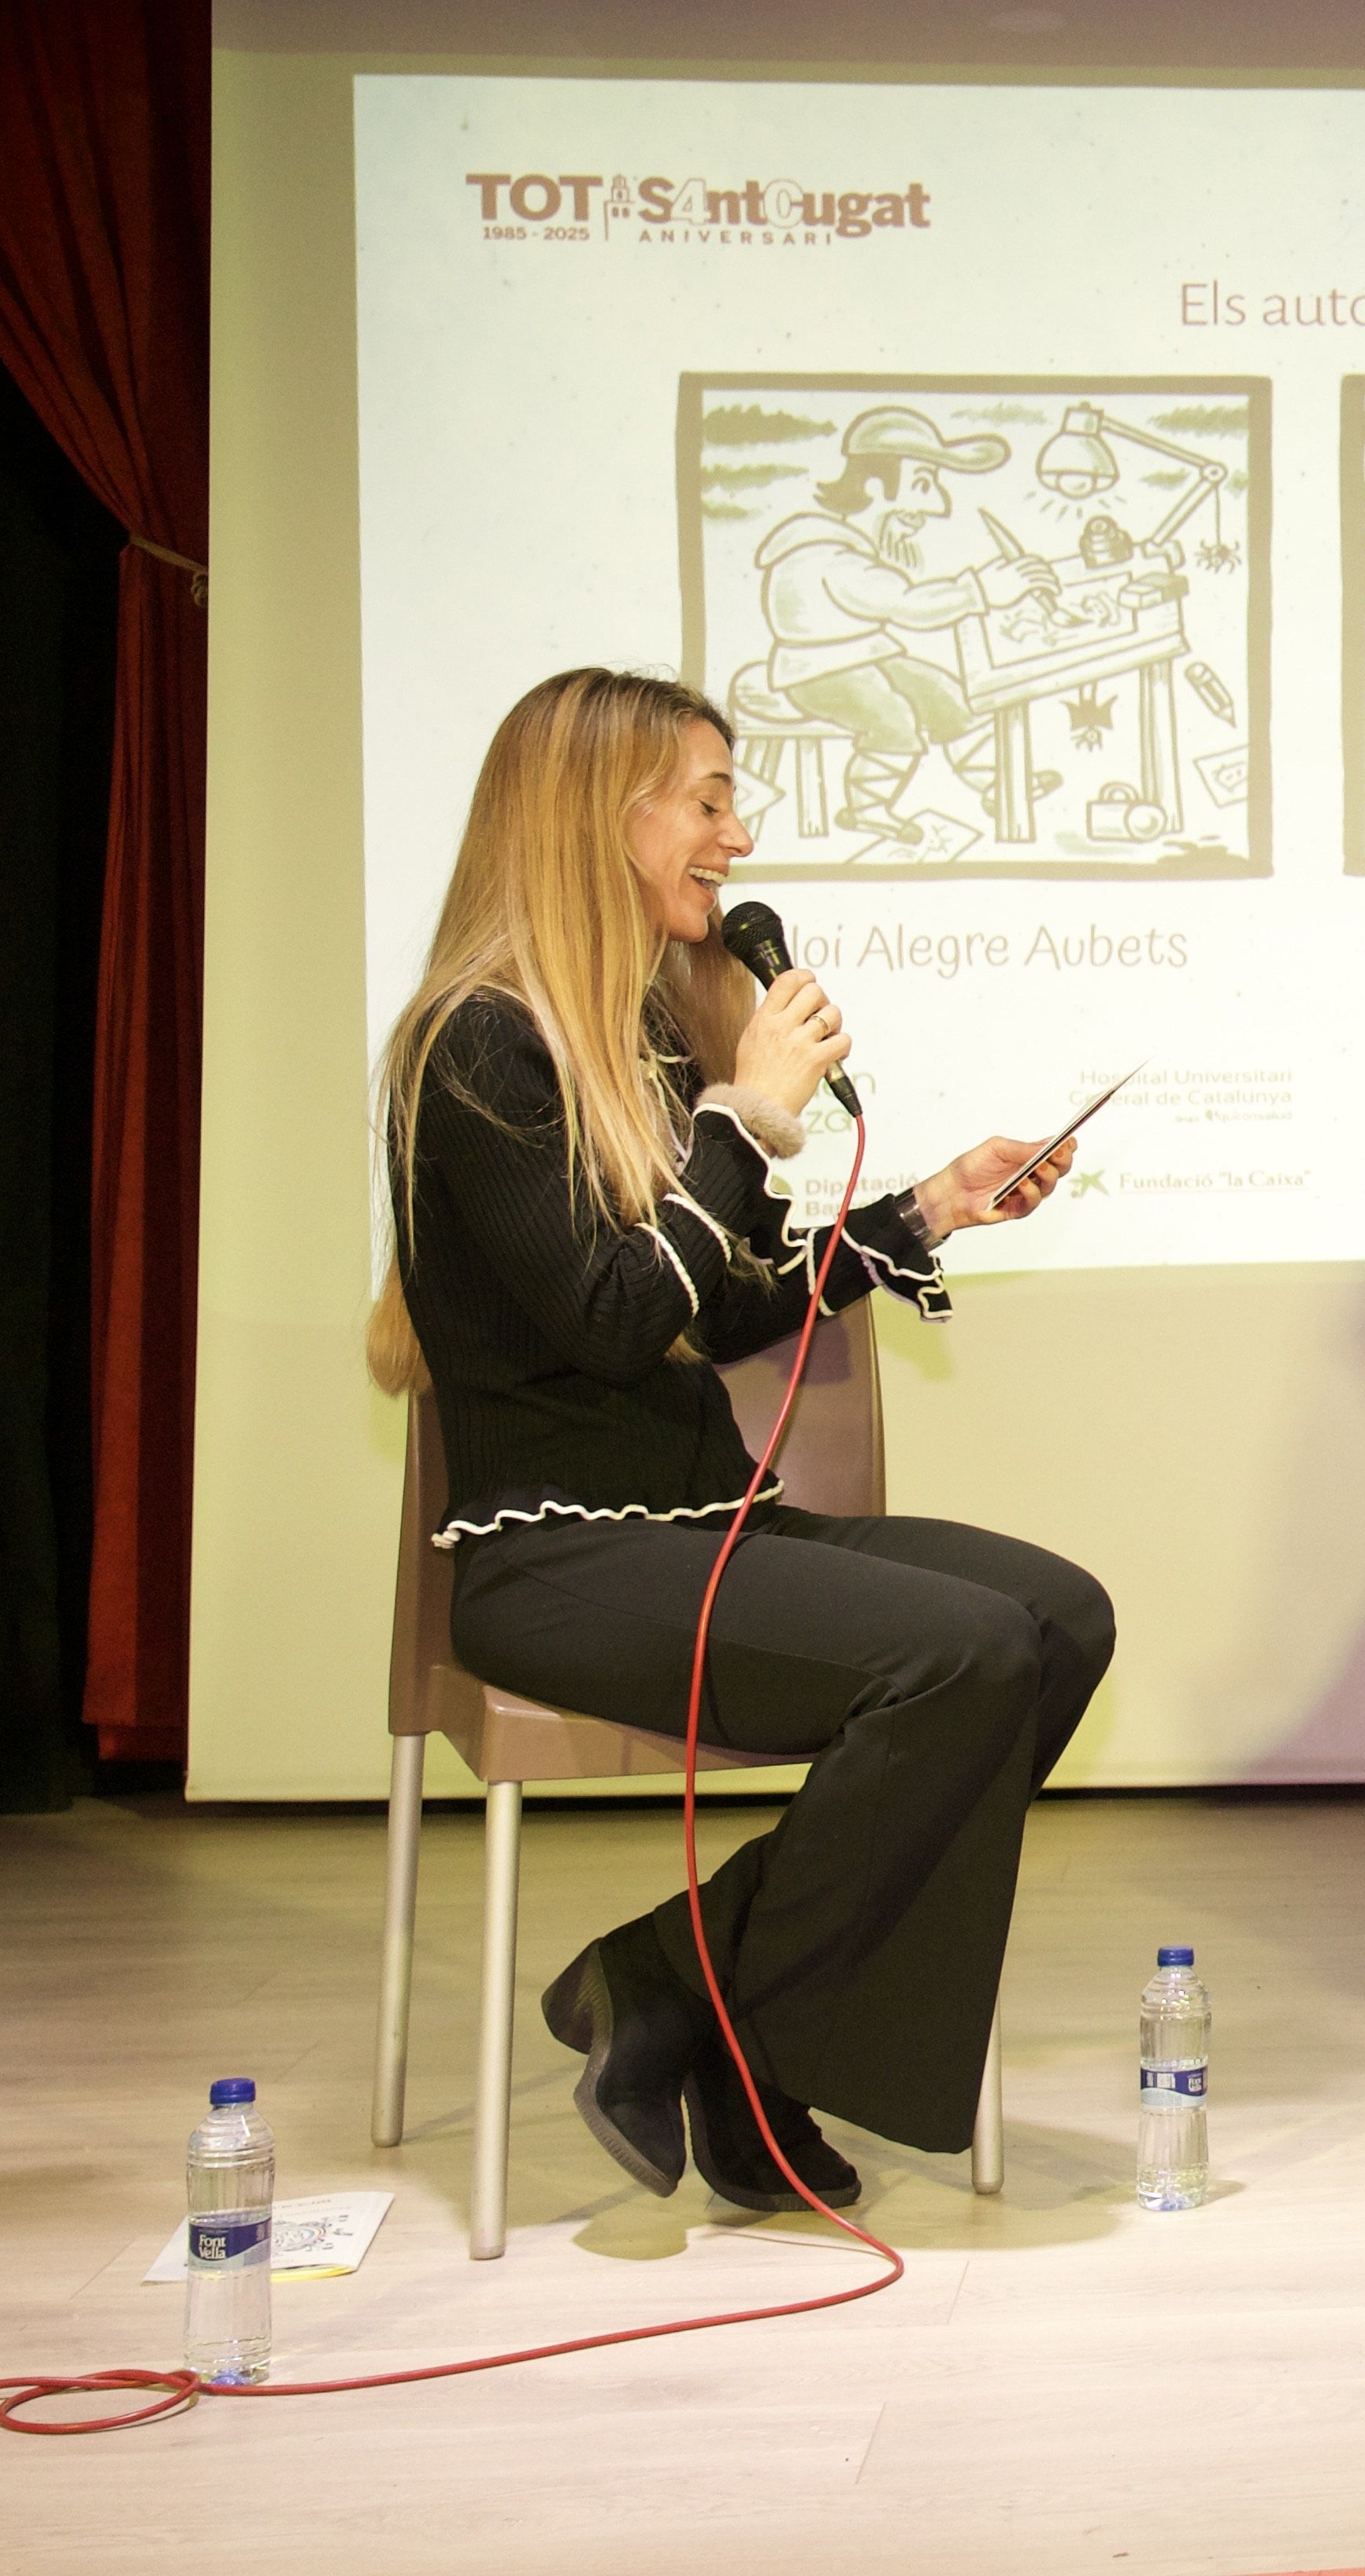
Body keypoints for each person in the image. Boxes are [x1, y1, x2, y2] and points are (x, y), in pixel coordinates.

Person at [369, 665, 1107, 2215]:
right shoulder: (473, 1048)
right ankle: (737, 2043)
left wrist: (927, 1208)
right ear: (603, 812)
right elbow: (615, 1318)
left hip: (705, 1526)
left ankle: (681, 1987)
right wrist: (748, 1117)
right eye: (708, 800)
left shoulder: (634, 1035)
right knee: (962, 1654)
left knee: (1055, 1618)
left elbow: (724, 1309)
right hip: (559, 1559)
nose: (739, 834)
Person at [749, 404, 1052, 846]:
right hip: (817, 674)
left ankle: (998, 783)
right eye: (923, 485)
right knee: (893, 718)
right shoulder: (827, 554)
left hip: (867, 657)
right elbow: (905, 605)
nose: (937, 505)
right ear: (873, 484)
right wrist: (979, 591)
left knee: (944, 694)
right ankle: (868, 809)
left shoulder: (848, 550)